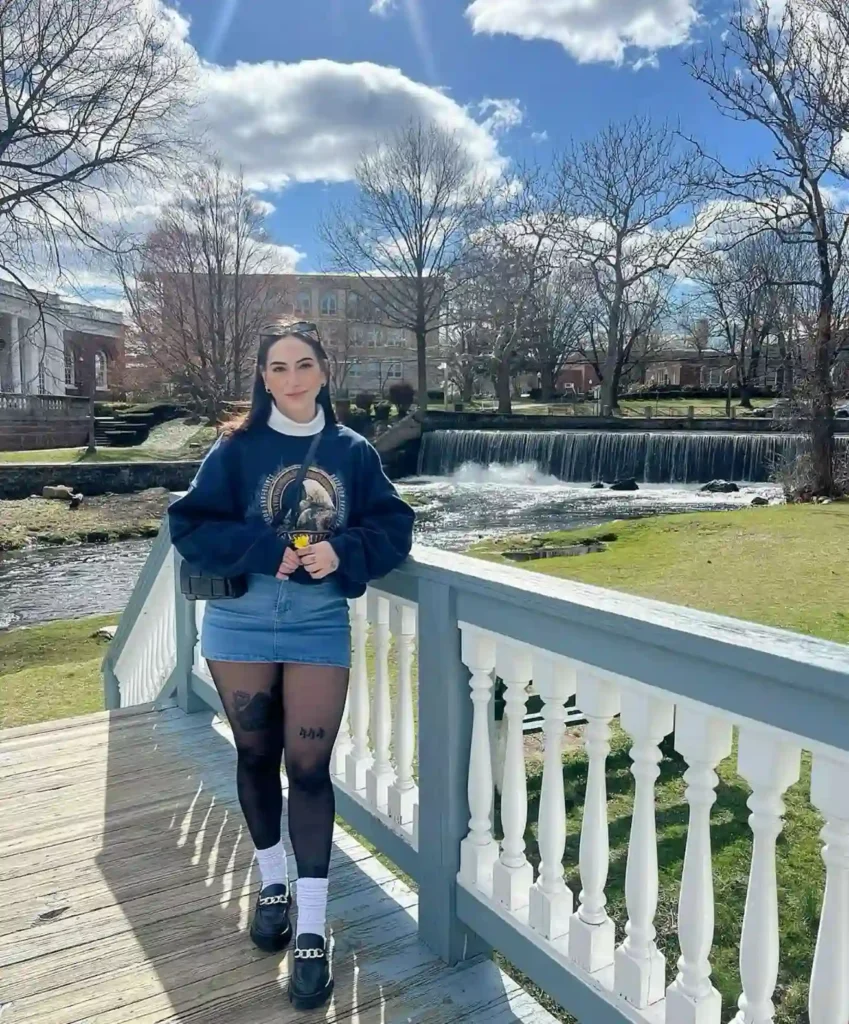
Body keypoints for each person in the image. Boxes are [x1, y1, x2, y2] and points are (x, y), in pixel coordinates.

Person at [168, 320, 415, 1011]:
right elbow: (188, 523)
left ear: (325, 370)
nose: (291, 378)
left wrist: (346, 552)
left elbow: (395, 523)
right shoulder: (236, 448)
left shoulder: (352, 451)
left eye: (303, 364)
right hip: (240, 621)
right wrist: (258, 549)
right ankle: (269, 883)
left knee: (307, 768)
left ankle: (310, 927)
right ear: (263, 375)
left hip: (317, 623)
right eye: (277, 367)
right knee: (254, 755)